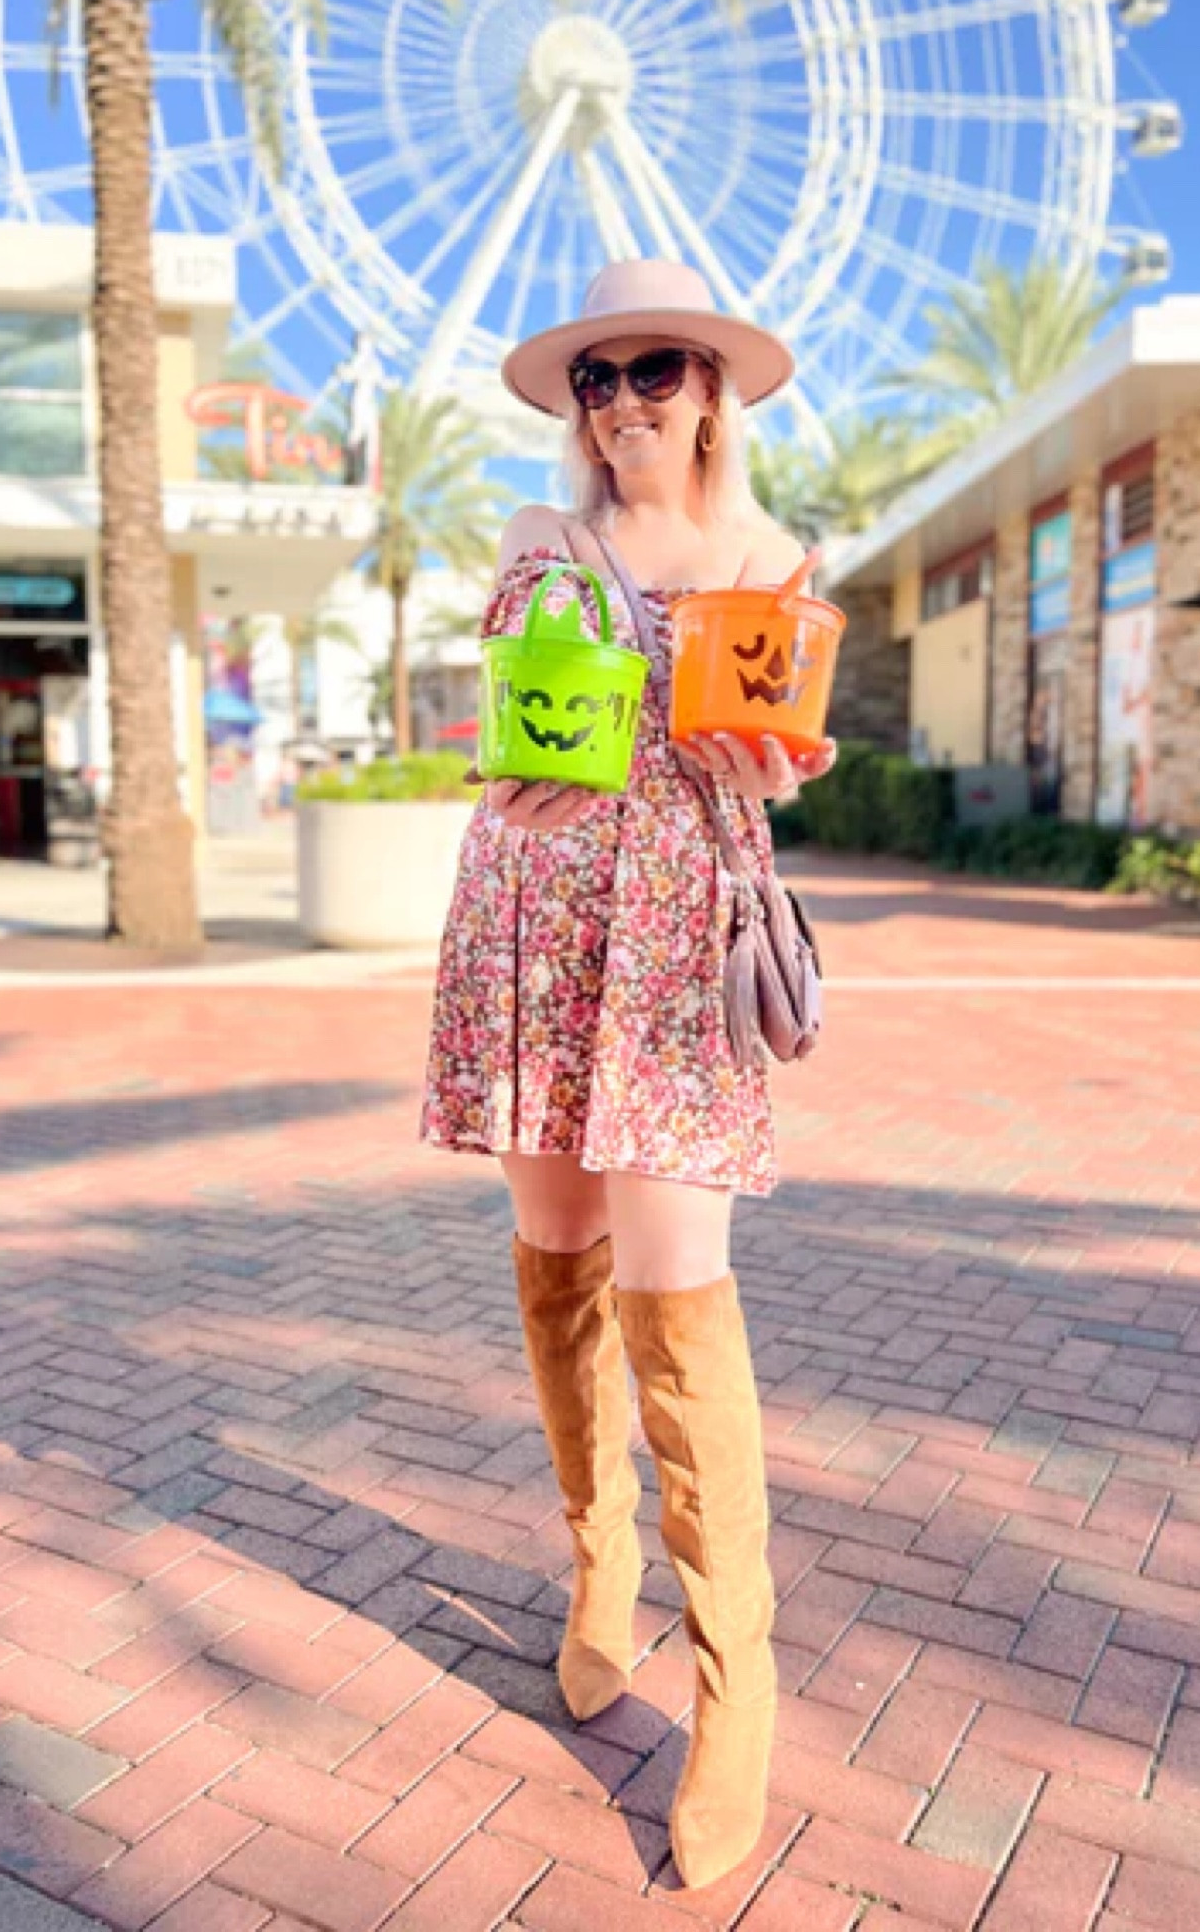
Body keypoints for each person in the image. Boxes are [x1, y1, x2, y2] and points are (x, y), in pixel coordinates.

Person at [422, 259, 837, 1891]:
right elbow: (516, 725)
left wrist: (766, 769)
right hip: (535, 912)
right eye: (595, 379)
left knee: (682, 1283)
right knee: (560, 1264)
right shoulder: (539, 544)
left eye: (652, 370)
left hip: (678, 943)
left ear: (713, 388)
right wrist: (506, 772)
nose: (621, 403)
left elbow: (776, 770)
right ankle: (600, 1573)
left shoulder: (773, 562)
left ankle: (736, 1682)